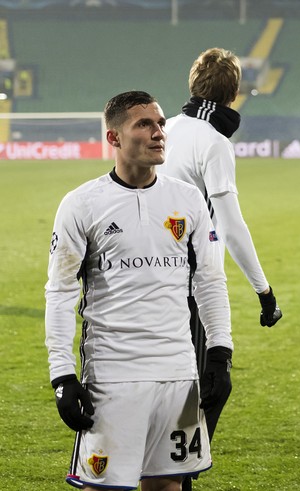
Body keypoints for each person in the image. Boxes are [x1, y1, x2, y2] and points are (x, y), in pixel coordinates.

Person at [45, 90, 233, 491]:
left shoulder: (187, 199)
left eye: (161, 123)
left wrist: (220, 353)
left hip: (180, 375)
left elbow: (210, 281)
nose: (158, 133)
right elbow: (60, 292)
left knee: (168, 487)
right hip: (114, 378)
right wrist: (61, 375)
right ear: (114, 138)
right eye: (144, 125)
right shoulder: (82, 204)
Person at [159, 48, 282, 490]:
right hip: (188, 286)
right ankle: (175, 477)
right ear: (234, 94)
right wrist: (264, 291)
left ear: (193, 86)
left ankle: (167, 473)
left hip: (147, 280)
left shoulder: (164, 130)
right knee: (204, 391)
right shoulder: (213, 142)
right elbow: (230, 225)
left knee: (174, 394)